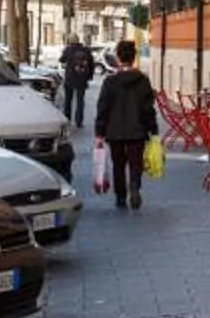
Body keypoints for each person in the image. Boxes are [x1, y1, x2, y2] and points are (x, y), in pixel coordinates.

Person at [93, 40, 159, 212]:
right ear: (134, 57)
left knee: (118, 164)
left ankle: (120, 197)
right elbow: (148, 108)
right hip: (137, 130)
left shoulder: (110, 81)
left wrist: (99, 132)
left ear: (118, 58)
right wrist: (153, 129)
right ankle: (135, 185)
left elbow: (103, 108)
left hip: (114, 131)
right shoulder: (142, 80)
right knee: (136, 163)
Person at [58, 31, 96, 129]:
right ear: (78, 39)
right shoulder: (86, 50)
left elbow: (61, 60)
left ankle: (67, 119)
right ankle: (79, 122)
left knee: (68, 100)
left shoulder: (68, 49)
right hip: (82, 79)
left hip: (70, 78)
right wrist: (89, 76)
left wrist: (65, 52)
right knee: (80, 101)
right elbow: (91, 64)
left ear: (69, 40)